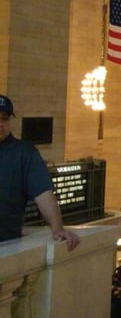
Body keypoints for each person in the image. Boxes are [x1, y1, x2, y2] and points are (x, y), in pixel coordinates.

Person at [0, 95, 80, 250]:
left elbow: (43, 193)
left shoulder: (24, 154)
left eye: (4, 118)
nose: (0, 124)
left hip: (6, 247)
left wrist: (57, 229)